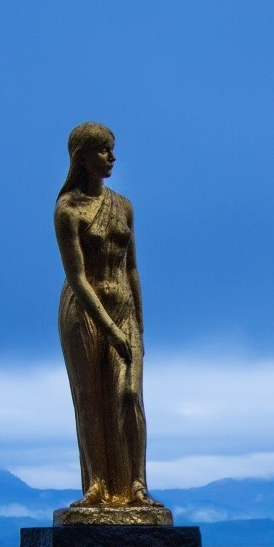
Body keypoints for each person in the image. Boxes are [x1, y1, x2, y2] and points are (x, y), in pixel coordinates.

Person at [54, 122, 163, 511]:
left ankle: (136, 485)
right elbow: (77, 277)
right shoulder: (68, 211)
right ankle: (98, 485)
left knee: (128, 394)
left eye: (112, 149)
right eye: (102, 150)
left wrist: (138, 327)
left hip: (124, 308)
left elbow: (132, 268)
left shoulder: (124, 206)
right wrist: (109, 329)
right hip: (83, 312)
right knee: (90, 398)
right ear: (82, 156)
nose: (111, 157)